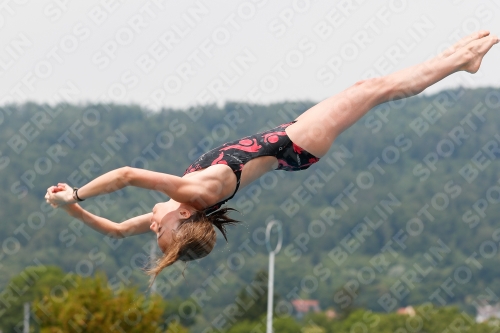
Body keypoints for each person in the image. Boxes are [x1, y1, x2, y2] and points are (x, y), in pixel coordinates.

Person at [46, 31, 499, 282]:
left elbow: (113, 231)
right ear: (182, 214)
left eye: (154, 232)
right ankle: (462, 60)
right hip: (297, 143)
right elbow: (125, 174)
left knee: (372, 89)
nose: (150, 224)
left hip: (291, 145)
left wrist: (74, 204)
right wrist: (77, 193)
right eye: (160, 231)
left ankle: (454, 59)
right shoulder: (193, 191)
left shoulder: (188, 200)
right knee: (373, 90)